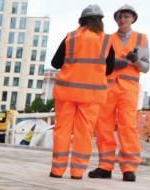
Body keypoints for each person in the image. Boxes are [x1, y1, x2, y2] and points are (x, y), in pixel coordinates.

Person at [49, 4, 115, 179]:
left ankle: (57, 170)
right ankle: (77, 172)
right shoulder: (107, 41)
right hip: (92, 96)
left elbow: (55, 63)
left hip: (66, 92)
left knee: (62, 130)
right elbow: (109, 70)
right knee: (84, 133)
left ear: (81, 21)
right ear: (100, 22)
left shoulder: (70, 37)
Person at [88, 4, 150, 182]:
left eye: (127, 17)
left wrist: (136, 60)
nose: (123, 20)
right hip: (107, 89)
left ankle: (129, 168)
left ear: (133, 19)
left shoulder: (142, 39)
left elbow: (146, 68)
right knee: (103, 128)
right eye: (120, 17)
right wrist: (112, 63)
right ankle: (105, 166)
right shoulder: (106, 39)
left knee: (128, 127)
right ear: (116, 19)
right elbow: (98, 62)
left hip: (128, 91)